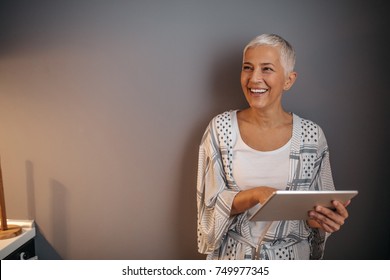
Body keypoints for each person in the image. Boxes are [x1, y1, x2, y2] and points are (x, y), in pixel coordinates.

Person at [196, 33, 350, 260]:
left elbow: (313, 217)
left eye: (266, 69)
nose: (254, 78)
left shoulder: (312, 136)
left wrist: (321, 220)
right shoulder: (220, 129)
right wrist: (256, 195)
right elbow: (208, 212)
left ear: (289, 79)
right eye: (247, 68)